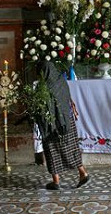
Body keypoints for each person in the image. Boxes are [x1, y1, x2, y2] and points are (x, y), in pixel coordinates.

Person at [34, 61, 89, 190]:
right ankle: (83, 173)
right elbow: (67, 98)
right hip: (66, 121)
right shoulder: (61, 82)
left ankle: (56, 181)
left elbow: (41, 106)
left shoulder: (44, 86)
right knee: (71, 148)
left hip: (51, 124)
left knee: (51, 149)